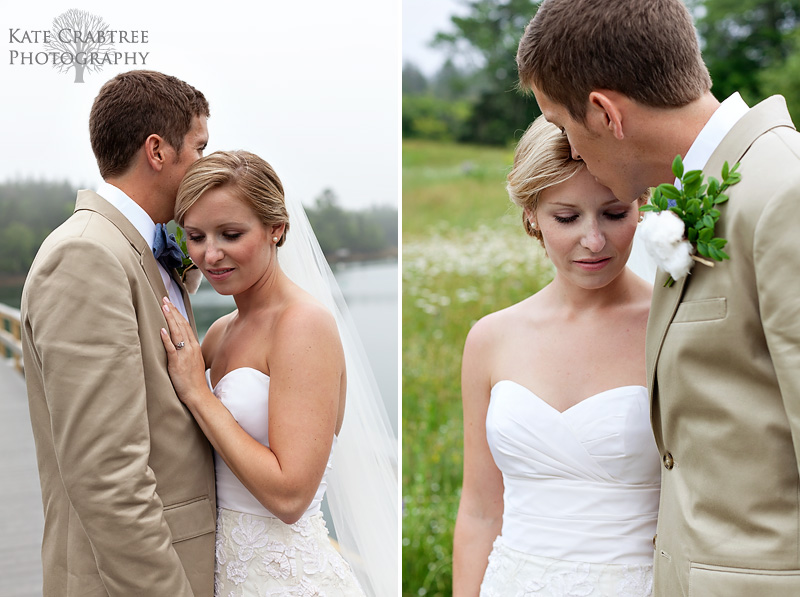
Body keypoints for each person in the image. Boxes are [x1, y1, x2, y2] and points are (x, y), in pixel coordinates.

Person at [517, 1, 800, 595]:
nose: (571, 148)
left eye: (563, 125)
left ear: (604, 113)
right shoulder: (715, 189)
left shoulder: (782, 193)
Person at [159, 150, 397, 597]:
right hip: (223, 571)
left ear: (277, 229)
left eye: (230, 234)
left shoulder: (303, 324)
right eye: (195, 236)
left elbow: (290, 497)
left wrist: (199, 393)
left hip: (287, 579)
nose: (211, 255)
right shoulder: (220, 331)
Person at [20, 70, 215, 595]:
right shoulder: (86, 255)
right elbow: (107, 474)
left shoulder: (143, 249)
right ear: (157, 151)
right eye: (200, 147)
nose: (208, 165)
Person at [453, 115, 659, 596]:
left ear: (640, 206)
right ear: (532, 216)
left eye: (613, 214)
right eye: (567, 218)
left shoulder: (671, 326)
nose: (593, 240)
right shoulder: (490, 338)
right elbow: (482, 509)